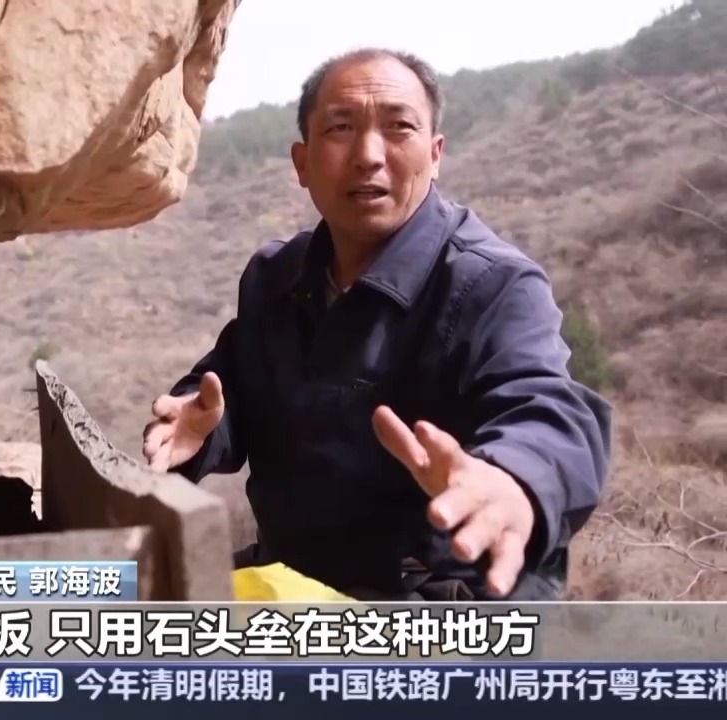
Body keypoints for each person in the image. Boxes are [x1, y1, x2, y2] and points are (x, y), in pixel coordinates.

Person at [142, 48, 612, 601]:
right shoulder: (277, 276)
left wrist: (516, 478)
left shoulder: (494, 284)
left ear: (435, 154)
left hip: (435, 600)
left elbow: (545, 408)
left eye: (398, 128)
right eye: (340, 128)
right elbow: (229, 389)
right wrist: (201, 425)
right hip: (290, 579)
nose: (368, 156)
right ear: (302, 162)